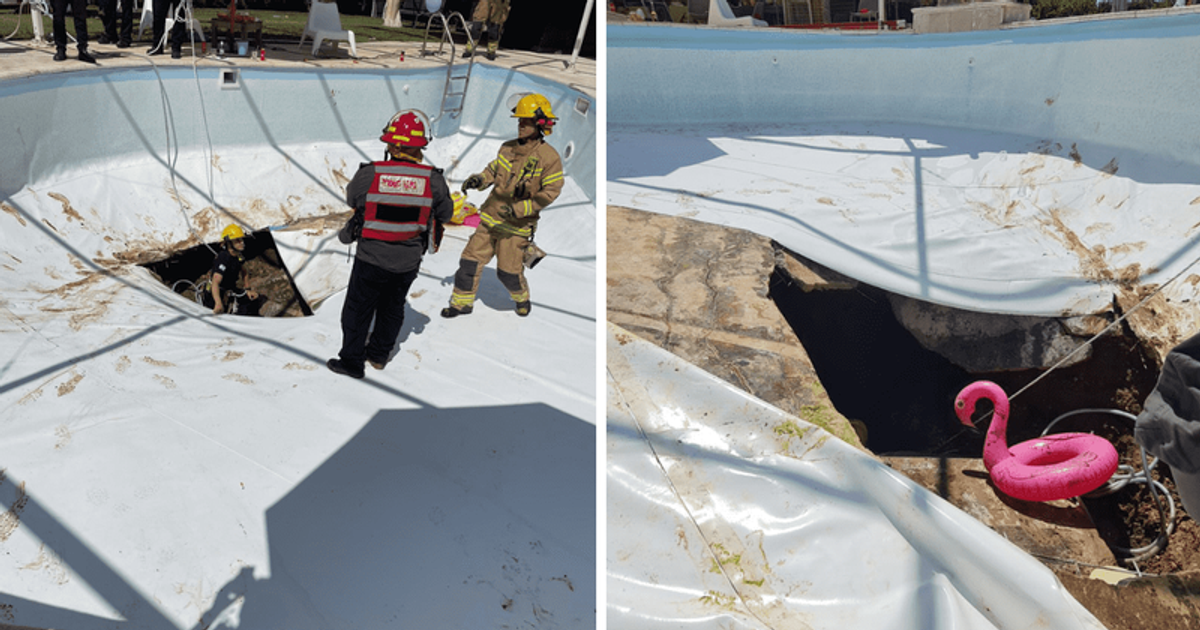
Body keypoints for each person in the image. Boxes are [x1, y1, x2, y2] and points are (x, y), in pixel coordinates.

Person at [327, 110, 454, 379]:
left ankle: (351, 361)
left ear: (395, 145)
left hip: (371, 258)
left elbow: (353, 200)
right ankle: (379, 355)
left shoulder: (370, 174)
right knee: (392, 307)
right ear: (420, 146)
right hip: (407, 261)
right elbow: (446, 214)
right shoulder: (434, 180)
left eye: (388, 142)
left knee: (357, 309)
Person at [441, 93, 563, 319]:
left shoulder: (550, 158)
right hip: (490, 219)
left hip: (516, 228)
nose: (520, 126)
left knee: (508, 273)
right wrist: (480, 179)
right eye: (519, 121)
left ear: (540, 124)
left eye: (525, 122)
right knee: (469, 263)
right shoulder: (507, 148)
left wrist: (519, 209)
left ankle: (522, 298)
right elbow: (495, 170)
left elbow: (550, 193)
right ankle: (461, 304)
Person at [208, 224, 266, 316]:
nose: (242, 242)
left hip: (230, 290)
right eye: (237, 241)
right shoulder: (223, 258)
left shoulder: (238, 256)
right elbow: (215, 282)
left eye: (241, 239)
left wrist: (247, 290)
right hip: (216, 294)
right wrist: (218, 303)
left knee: (255, 299)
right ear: (229, 243)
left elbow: (245, 272)